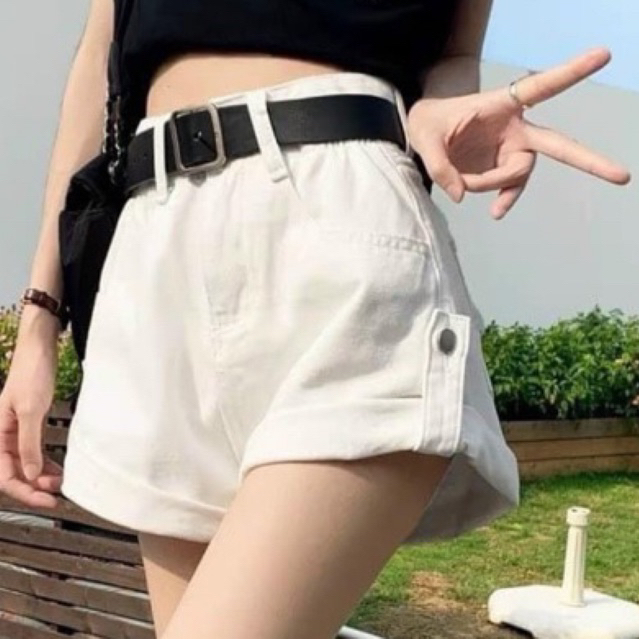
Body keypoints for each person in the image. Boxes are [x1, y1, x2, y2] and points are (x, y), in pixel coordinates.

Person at [0, 1, 631, 638]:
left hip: (337, 224)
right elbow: (99, 60)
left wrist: (445, 106)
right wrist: (40, 321)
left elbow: (455, 52)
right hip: (156, 246)